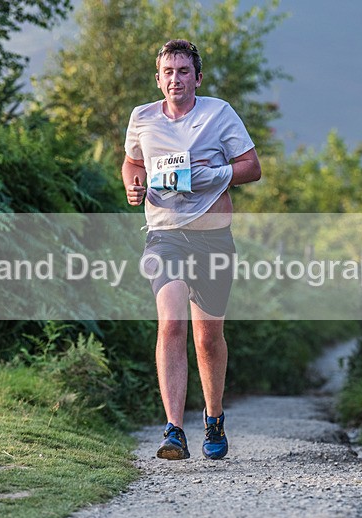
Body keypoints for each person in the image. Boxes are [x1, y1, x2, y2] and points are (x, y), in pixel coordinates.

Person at [122, 39, 261, 460]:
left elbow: (252, 167)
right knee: (171, 323)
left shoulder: (219, 113)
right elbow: (132, 162)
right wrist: (132, 184)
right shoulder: (142, 118)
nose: (175, 79)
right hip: (163, 236)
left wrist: (212, 174)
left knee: (207, 337)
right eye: (168, 72)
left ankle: (213, 417)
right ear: (158, 78)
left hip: (213, 238)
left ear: (197, 78)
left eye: (184, 71)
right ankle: (173, 430)